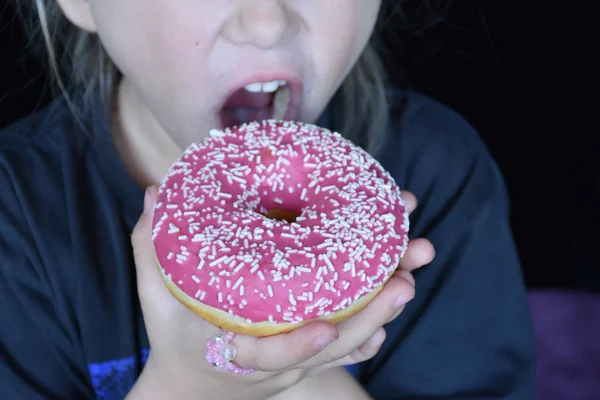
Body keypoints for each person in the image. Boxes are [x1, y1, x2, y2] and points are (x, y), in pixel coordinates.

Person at [0, 1, 536, 399]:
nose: (267, 20)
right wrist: (190, 386)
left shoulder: (438, 172)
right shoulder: (16, 216)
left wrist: (303, 376)